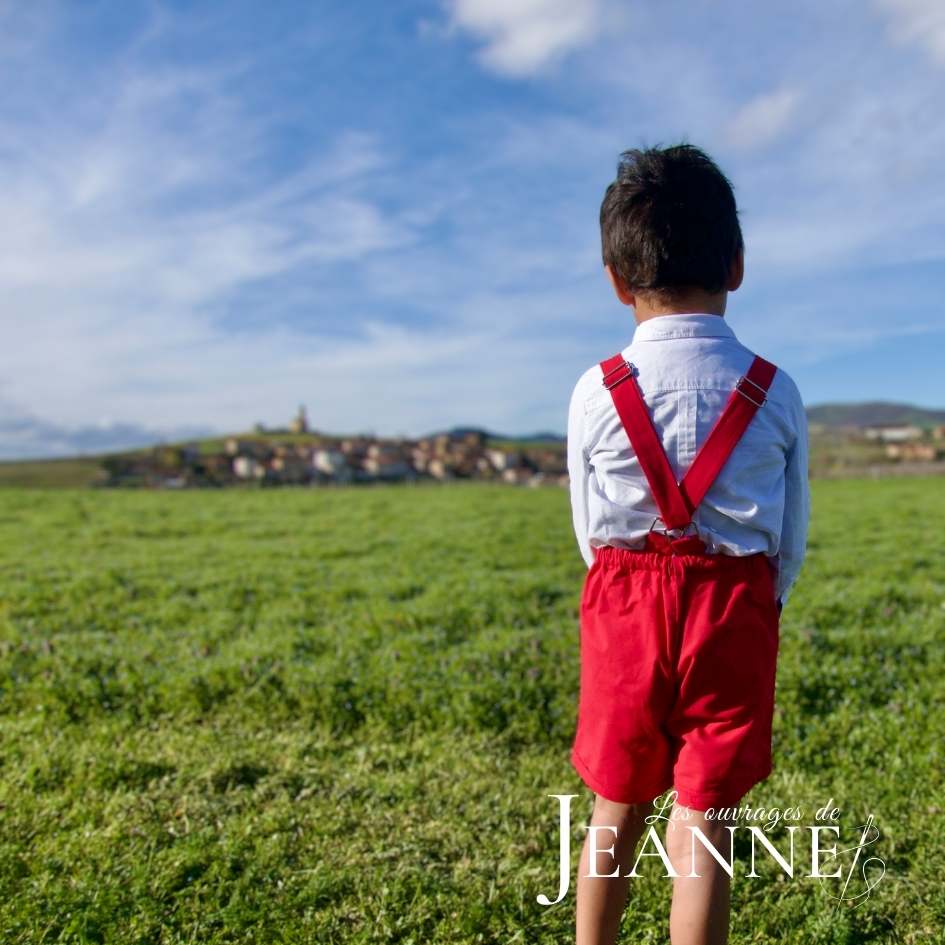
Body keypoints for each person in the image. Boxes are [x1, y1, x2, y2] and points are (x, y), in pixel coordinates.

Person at [566, 143, 810, 945]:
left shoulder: (596, 389)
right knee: (703, 821)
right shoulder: (774, 390)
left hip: (623, 604)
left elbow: (586, 524)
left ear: (614, 277)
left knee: (616, 800)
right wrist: (751, 599)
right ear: (736, 265)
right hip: (735, 604)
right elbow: (791, 533)